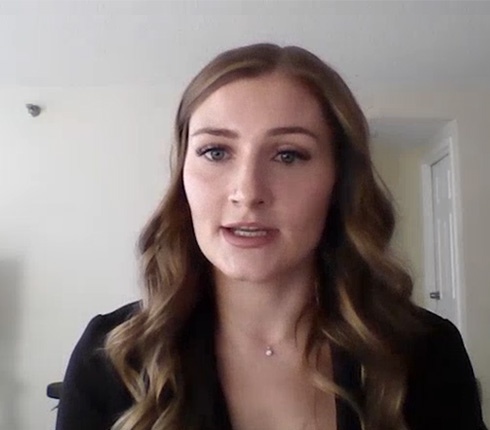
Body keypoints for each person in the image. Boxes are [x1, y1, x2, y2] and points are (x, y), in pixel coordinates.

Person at [55, 43, 487, 430]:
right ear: (183, 173)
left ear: (339, 180)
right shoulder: (111, 356)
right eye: (216, 152)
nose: (248, 192)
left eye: (288, 155)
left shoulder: (425, 353)